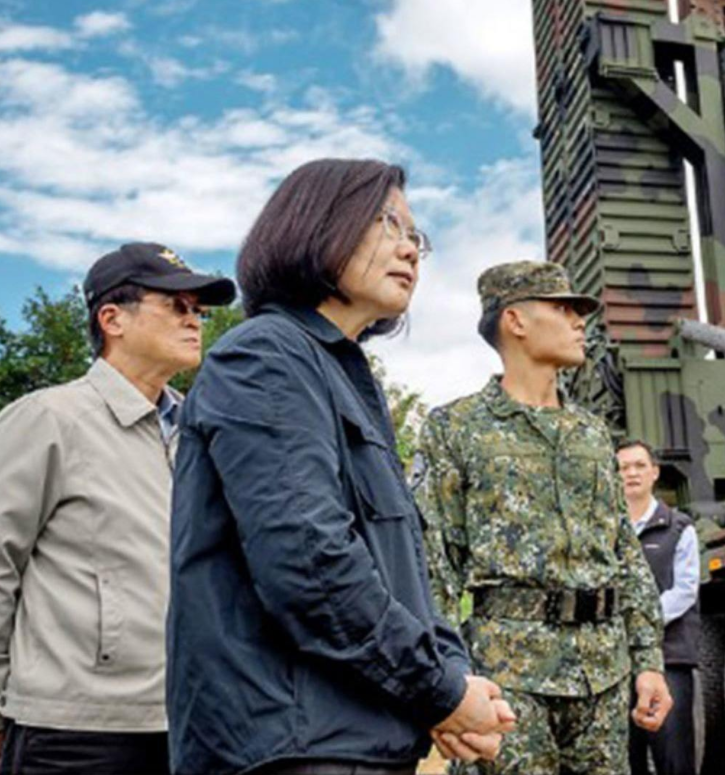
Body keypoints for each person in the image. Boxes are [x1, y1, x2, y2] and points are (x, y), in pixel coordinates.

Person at [167, 158, 514, 775]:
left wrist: (451, 676)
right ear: (319, 223)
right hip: (293, 745)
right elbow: (310, 563)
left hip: (358, 737)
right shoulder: (265, 356)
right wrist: (440, 690)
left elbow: (400, 569)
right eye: (391, 223)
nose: (411, 248)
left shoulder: (346, 378)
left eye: (418, 238)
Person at [417, 260, 672, 775]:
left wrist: (648, 661)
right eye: (563, 308)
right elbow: (434, 565)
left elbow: (623, 551)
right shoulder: (456, 429)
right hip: (508, 678)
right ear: (515, 321)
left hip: (603, 673)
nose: (581, 321)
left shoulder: (592, 434)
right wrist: (445, 680)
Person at [0, 243, 235, 774]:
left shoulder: (198, 435)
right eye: (176, 305)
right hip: (72, 733)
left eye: (198, 309)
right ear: (112, 319)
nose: (194, 320)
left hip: (190, 724)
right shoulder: (48, 419)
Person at [615, 440, 700, 775]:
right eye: (623, 468)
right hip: (616, 663)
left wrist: (637, 622)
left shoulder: (679, 528)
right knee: (623, 759)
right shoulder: (602, 531)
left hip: (669, 659)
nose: (631, 473)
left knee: (673, 758)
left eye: (638, 465)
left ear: (654, 472)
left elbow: (684, 590)